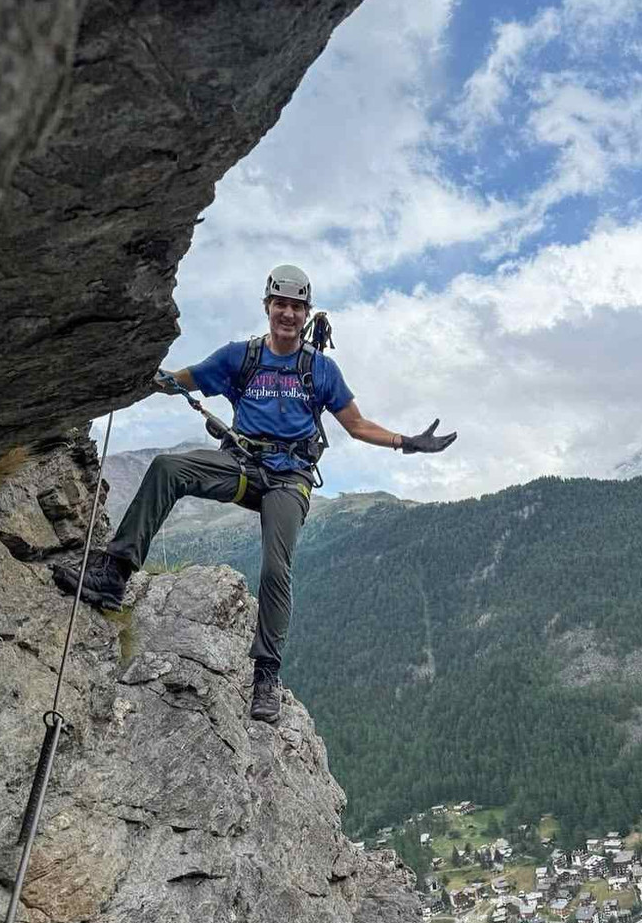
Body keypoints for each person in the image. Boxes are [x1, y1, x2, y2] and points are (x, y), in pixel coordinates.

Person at [54, 263, 456, 722]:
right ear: (268, 307)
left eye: (296, 306)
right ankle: (114, 575)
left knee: (275, 565)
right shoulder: (239, 358)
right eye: (280, 304)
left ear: (306, 313)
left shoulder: (319, 369)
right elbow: (177, 381)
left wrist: (406, 442)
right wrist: (127, 372)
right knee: (169, 467)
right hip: (243, 466)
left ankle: (265, 674)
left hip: (289, 478)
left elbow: (356, 424)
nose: (288, 313)